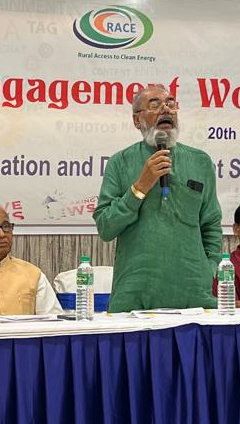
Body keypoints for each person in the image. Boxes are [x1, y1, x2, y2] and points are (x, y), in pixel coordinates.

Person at [94, 83, 221, 312]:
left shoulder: (200, 161)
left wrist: (209, 268)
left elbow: (211, 224)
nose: (166, 109)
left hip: (194, 294)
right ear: (137, 120)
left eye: (171, 104)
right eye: (155, 105)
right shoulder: (120, 162)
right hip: (134, 295)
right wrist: (140, 187)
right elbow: (106, 227)